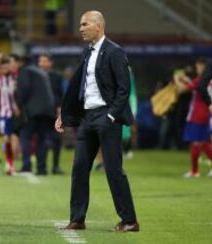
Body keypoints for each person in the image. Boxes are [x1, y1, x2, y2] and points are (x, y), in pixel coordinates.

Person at [55, 11, 139, 232]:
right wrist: (65, 114)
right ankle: (77, 219)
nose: (81, 28)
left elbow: (124, 89)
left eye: (85, 24)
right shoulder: (87, 52)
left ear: (99, 27)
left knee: (113, 169)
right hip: (87, 117)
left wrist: (111, 116)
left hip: (106, 117)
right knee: (80, 167)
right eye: (80, 24)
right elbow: (77, 87)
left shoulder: (115, 51)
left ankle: (129, 221)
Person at [17, 56, 55, 175]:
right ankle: (41, 168)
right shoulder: (41, 73)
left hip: (34, 111)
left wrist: (20, 104)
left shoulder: (25, 71)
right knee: (42, 139)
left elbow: (25, 89)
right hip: (48, 111)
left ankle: (26, 165)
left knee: (25, 136)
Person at [174, 59, 212, 177]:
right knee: (202, 142)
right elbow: (193, 85)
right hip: (207, 113)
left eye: (198, 67)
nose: (197, 69)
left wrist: (176, 78)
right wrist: (186, 80)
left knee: (198, 142)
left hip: (198, 114)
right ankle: (195, 170)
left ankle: (195, 171)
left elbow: (181, 90)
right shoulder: (205, 80)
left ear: (203, 67)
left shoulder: (200, 80)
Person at [38, 53, 64, 174]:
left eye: (44, 61)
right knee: (42, 140)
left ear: (50, 63)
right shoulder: (35, 76)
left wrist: (60, 109)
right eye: (40, 61)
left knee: (57, 140)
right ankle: (41, 167)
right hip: (40, 113)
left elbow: (60, 94)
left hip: (54, 113)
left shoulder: (57, 77)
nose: (41, 64)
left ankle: (56, 166)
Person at [0, 56, 19, 175]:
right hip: (3, 113)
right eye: (2, 68)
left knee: (15, 138)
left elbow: (20, 93)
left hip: (16, 112)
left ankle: (12, 163)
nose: (5, 69)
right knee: (6, 138)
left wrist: (19, 107)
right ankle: (9, 163)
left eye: (7, 67)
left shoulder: (16, 77)